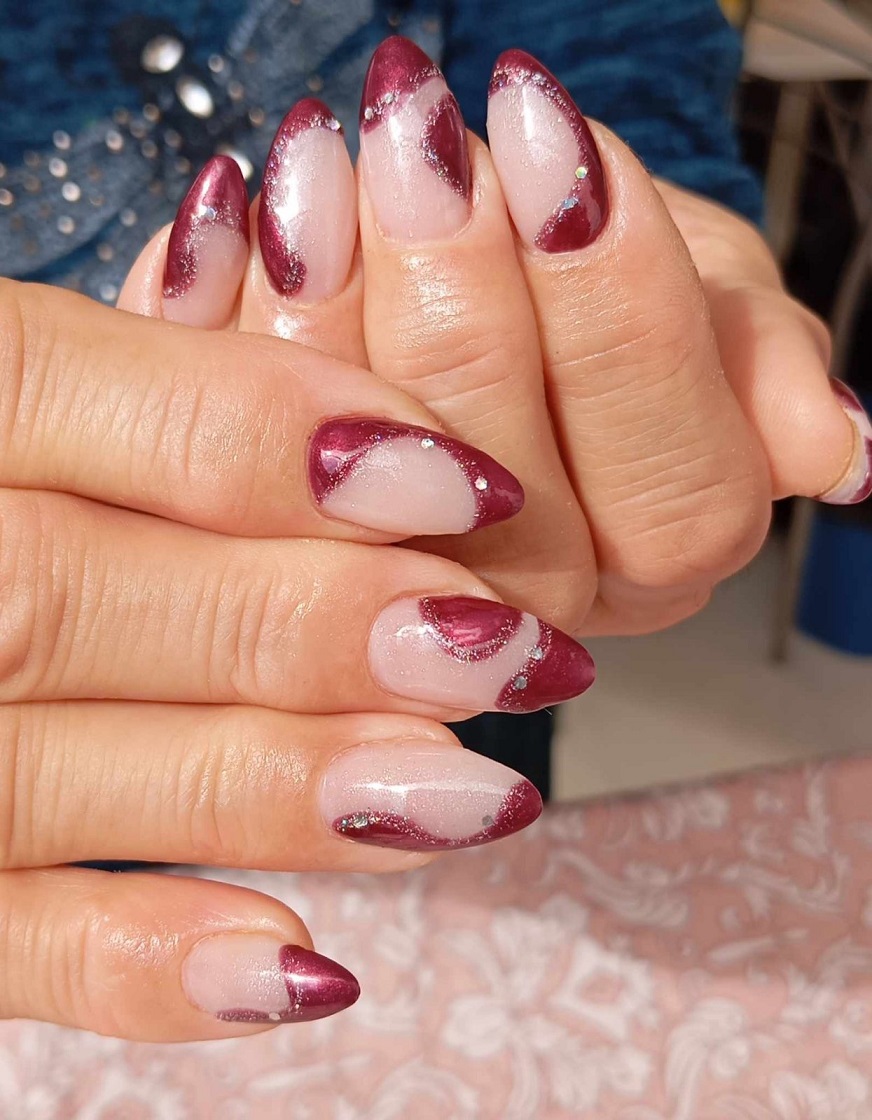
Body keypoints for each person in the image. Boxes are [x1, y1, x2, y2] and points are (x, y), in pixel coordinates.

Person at [0, 1, 868, 1041]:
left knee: (482, 1010)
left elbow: (611, 37)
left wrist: (646, 272)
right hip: (53, 800)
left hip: (447, 660)